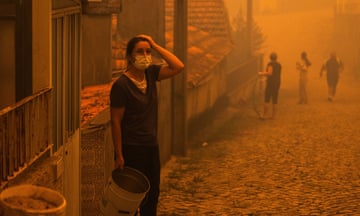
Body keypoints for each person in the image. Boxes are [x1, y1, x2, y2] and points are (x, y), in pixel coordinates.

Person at [110, 34, 184, 215]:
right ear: (129, 56)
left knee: (152, 194)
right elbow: (116, 121)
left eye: (147, 51)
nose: (144, 55)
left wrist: (156, 45)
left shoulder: (151, 74)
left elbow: (178, 66)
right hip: (131, 148)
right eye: (140, 51)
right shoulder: (121, 85)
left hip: (151, 146)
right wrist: (119, 155)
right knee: (131, 198)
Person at [258, 52, 282, 119]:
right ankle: (273, 116)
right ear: (276, 57)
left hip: (271, 84)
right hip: (277, 83)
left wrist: (261, 73)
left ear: (270, 57)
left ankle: (265, 115)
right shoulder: (279, 65)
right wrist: (264, 80)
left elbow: (270, 73)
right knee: (275, 100)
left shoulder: (270, 64)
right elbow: (275, 75)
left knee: (267, 99)